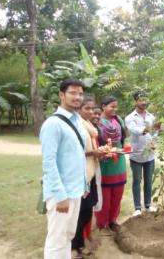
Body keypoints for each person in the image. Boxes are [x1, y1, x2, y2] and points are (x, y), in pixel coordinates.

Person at [40, 79, 87, 259]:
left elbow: (77, 156)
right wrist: (60, 196)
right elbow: (48, 162)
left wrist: (84, 185)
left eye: (80, 94)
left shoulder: (77, 120)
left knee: (68, 235)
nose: (77, 97)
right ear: (61, 95)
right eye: (73, 93)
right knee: (56, 239)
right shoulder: (53, 124)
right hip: (61, 194)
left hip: (75, 190)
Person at [71, 97, 105, 258]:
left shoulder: (89, 126)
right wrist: (94, 153)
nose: (91, 112)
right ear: (79, 109)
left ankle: (79, 243)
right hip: (81, 173)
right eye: (87, 109)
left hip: (90, 172)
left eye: (92, 109)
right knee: (80, 212)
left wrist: (99, 152)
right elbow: (72, 152)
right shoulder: (77, 125)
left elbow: (91, 148)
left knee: (87, 210)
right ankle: (74, 246)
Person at [95, 96, 127, 235]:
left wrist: (125, 146)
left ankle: (113, 220)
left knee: (117, 194)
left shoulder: (118, 120)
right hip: (104, 162)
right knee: (104, 196)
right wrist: (104, 152)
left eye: (116, 107)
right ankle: (103, 224)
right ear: (103, 106)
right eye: (111, 106)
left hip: (119, 160)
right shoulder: (97, 122)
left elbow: (123, 139)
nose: (114, 109)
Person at [125, 91, 160, 216]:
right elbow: (135, 130)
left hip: (149, 155)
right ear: (135, 101)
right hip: (136, 155)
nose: (144, 102)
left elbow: (156, 132)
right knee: (137, 180)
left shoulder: (151, 116)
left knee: (149, 180)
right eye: (141, 100)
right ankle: (137, 207)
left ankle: (148, 205)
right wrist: (148, 129)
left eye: (145, 100)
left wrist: (155, 138)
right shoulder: (130, 117)